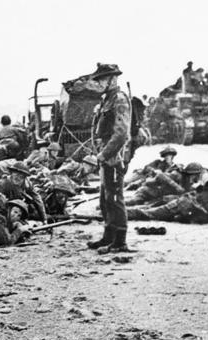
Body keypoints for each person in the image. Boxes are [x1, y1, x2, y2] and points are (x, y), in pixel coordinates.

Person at [86, 63, 132, 254]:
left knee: (114, 198)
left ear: (113, 79)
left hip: (114, 157)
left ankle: (120, 241)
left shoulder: (119, 100)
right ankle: (108, 236)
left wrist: (104, 154)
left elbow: (121, 134)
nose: (98, 83)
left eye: (102, 79)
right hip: (106, 157)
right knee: (106, 199)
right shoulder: (108, 100)